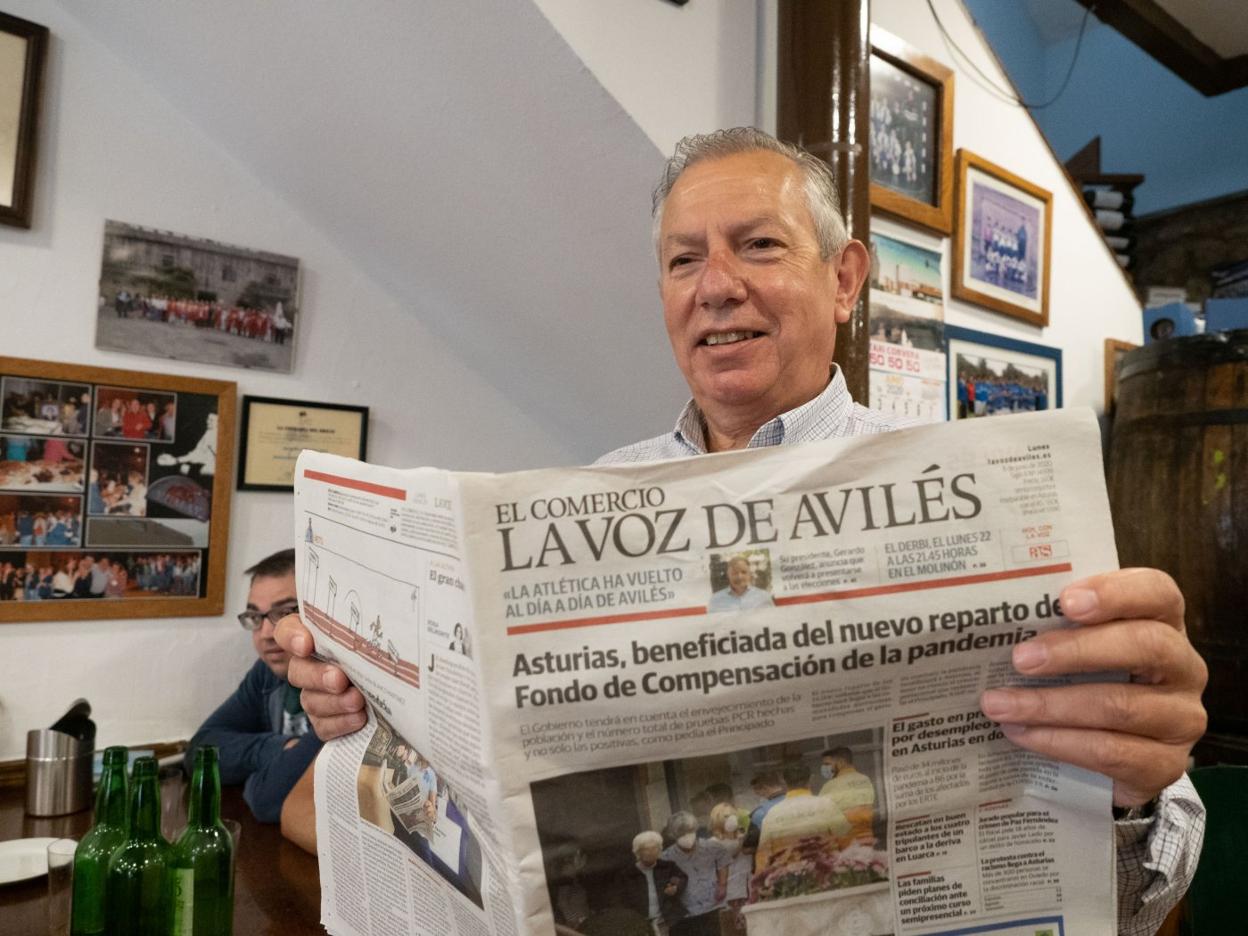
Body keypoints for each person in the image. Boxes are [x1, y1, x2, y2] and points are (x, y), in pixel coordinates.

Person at [276, 128, 1208, 935]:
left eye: (758, 245)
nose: (716, 288)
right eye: (684, 261)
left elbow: (1144, 894)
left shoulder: (979, 495)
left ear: (844, 279)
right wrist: (365, 713)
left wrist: (1133, 792)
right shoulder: (595, 493)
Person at [185, 548, 323, 823]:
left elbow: (266, 800)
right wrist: (280, 748)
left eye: (284, 613)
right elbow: (200, 753)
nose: (266, 634)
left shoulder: (336, 685)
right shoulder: (267, 673)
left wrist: (258, 772)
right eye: (255, 617)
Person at [661, 811, 728, 936]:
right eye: (681, 834)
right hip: (687, 912)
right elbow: (663, 880)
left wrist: (722, 884)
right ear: (674, 835)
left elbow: (723, 861)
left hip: (713, 905)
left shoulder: (711, 847)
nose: (687, 836)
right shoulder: (666, 857)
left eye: (690, 831)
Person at [615, 830, 688, 936]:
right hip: (640, 924)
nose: (651, 852)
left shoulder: (668, 867)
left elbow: (681, 878)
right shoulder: (627, 874)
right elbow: (621, 901)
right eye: (646, 849)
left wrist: (675, 887)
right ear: (638, 851)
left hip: (667, 920)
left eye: (655, 848)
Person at [818, 747, 876, 845]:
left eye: (827, 764)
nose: (825, 768)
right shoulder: (865, 779)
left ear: (841, 762)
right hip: (867, 838)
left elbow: (820, 818)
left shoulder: (830, 786)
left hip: (844, 843)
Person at [706, 555, 774, 613]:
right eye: (734, 573)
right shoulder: (716, 600)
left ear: (749, 574)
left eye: (744, 572)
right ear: (728, 575)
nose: (739, 577)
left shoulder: (764, 596)